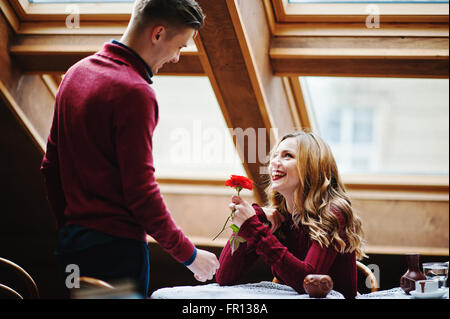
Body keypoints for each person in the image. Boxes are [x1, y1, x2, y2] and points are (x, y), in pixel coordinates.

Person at [40, 0, 219, 298]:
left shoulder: (75, 73)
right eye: (181, 46)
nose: (176, 58)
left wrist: (70, 231)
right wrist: (190, 255)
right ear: (158, 33)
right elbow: (141, 194)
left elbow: (50, 168)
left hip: (73, 247)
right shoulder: (135, 93)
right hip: (116, 253)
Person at [216, 130, 367, 299]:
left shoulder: (334, 213)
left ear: (312, 166)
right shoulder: (278, 217)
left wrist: (254, 228)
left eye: (287, 155)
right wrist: (252, 219)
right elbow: (224, 277)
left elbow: (308, 283)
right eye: (274, 155)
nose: (274, 162)